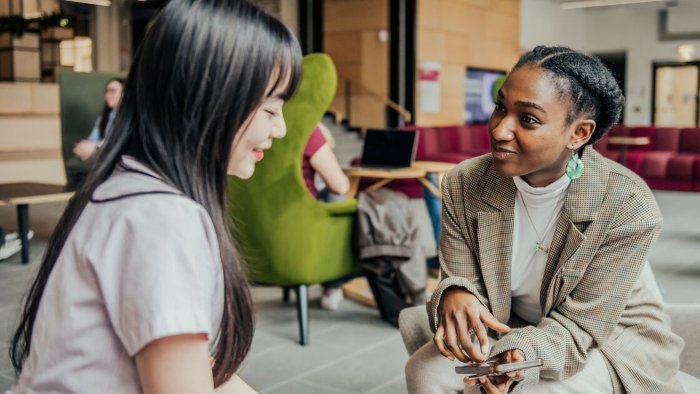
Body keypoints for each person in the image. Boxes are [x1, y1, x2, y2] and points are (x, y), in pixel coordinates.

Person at [9, 1, 301, 393]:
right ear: (208, 98)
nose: (280, 128)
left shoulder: (131, 186)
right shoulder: (162, 218)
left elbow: (195, 365)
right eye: (270, 108)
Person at [405, 46, 684, 394]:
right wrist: (456, 290)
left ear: (578, 134)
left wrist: (520, 357)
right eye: (501, 108)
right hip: (514, 323)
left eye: (528, 119)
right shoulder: (465, 183)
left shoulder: (627, 205)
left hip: (610, 338)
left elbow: (581, 327)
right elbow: (460, 274)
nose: (500, 130)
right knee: (424, 371)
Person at [301, 122, 351, 310]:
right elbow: (341, 185)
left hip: (256, 234)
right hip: (303, 227)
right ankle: (332, 285)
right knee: (338, 197)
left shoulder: (250, 124)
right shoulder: (307, 129)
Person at [72, 78, 125, 161]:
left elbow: (121, 142)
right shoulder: (104, 116)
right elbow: (93, 138)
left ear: (124, 94)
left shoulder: (129, 119)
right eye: (106, 91)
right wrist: (85, 146)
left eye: (112, 91)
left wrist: (96, 147)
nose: (107, 95)